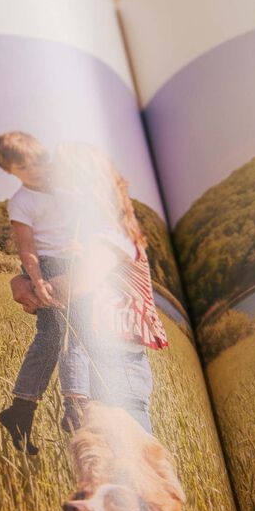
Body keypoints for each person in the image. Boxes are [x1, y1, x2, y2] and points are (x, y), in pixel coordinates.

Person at [53, 142, 168, 433]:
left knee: (134, 464)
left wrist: (32, 289)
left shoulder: (113, 237)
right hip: (100, 364)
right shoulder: (96, 239)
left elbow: (76, 287)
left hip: (117, 369)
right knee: (108, 465)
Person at [0, 131, 89, 454]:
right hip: (45, 266)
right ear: (11, 172)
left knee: (62, 336)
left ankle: (22, 409)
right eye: (26, 168)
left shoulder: (68, 188)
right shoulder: (21, 202)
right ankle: (73, 408)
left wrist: (82, 245)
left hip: (74, 263)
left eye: (41, 162)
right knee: (63, 333)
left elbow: (86, 224)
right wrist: (37, 279)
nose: (39, 171)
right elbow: (26, 247)